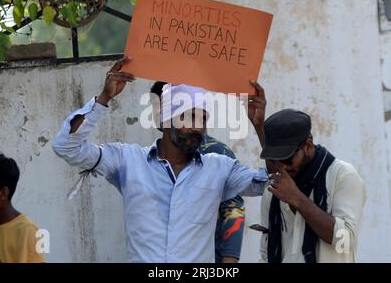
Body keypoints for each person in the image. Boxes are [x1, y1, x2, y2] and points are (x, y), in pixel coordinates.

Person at [52, 57, 269, 262]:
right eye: (188, 116)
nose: (197, 126)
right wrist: (103, 99)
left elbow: (273, 182)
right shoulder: (128, 161)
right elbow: (66, 147)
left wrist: (260, 127)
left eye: (203, 118)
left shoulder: (220, 167)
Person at [150, 81, 246, 263]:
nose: (157, 113)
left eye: (162, 106)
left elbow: (233, 210)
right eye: (154, 106)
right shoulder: (152, 157)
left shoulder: (215, 153)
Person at [257, 109, 367, 263]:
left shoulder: (342, 175)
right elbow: (266, 250)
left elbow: (346, 242)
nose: (282, 166)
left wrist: (297, 199)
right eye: (275, 160)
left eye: (287, 159)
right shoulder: (276, 187)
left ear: (308, 146)